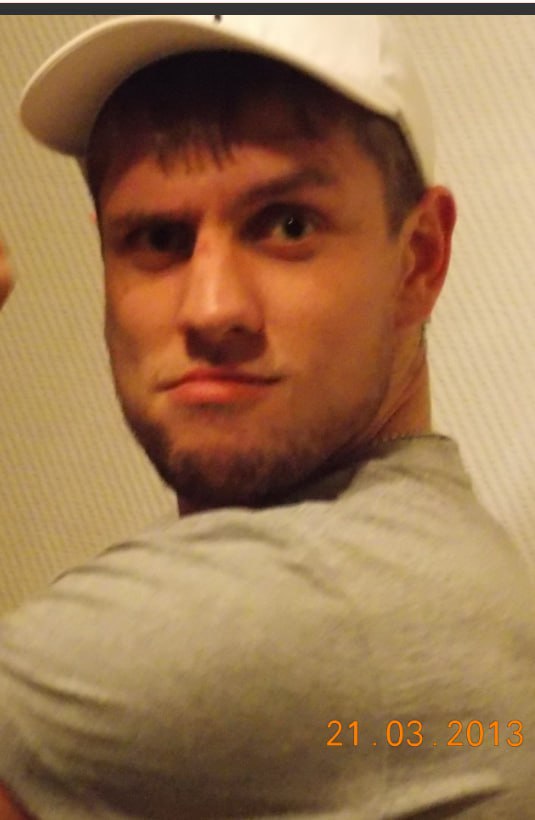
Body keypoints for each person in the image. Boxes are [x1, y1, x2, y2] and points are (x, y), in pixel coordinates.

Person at [0, 13, 533, 820]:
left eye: (286, 225)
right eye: (158, 237)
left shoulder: (319, 600)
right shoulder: (425, 561)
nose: (212, 309)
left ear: (418, 258)